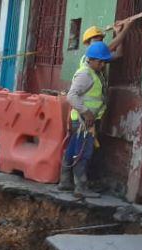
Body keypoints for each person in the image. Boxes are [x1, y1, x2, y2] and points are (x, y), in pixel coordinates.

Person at [61, 41, 111, 197]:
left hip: (84, 120)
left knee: (72, 150)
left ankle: (65, 182)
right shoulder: (86, 74)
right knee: (83, 152)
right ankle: (81, 187)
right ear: (91, 59)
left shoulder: (94, 73)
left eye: (104, 62)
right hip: (84, 121)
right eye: (100, 61)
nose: (102, 64)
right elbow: (71, 96)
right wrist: (87, 113)